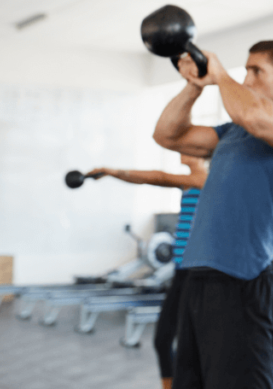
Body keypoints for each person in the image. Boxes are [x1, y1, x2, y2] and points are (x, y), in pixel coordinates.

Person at [152, 40, 273, 389]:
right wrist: (194, 86)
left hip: (240, 278)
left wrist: (220, 76)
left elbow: (257, 117)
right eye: (244, 70)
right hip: (197, 276)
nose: (246, 79)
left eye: (255, 71)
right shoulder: (232, 132)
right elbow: (167, 135)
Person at [87, 154, 208, 389]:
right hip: (181, 271)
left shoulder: (204, 179)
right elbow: (154, 178)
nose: (179, 151)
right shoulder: (189, 182)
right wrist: (114, 173)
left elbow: (158, 177)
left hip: (196, 274)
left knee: (189, 345)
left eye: (185, 146)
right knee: (163, 339)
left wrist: (114, 171)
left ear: (200, 151)